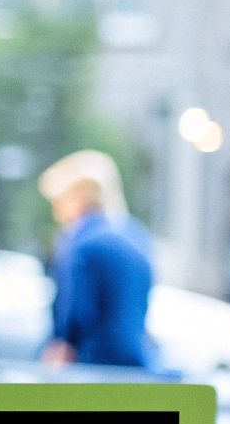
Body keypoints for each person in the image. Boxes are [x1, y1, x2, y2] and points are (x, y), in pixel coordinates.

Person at [36, 150, 157, 368]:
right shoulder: (136, 235)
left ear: (76, 197)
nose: (57, 212)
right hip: (136, 362)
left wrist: (62, 344)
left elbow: (76, 312)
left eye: (58, 201)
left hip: (92, 363)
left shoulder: (80, 243)